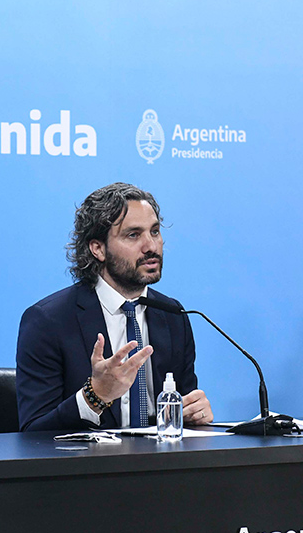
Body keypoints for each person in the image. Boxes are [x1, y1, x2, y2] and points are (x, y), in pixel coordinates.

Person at [16, 182, 212, 431]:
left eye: (154, 232)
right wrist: (95, 396)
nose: (151, 246)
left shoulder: (173, 315)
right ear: (98, 249)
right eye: (133, 235)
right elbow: (33, 433)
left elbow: (181, 413)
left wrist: (194, 414)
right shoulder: (49, 321)